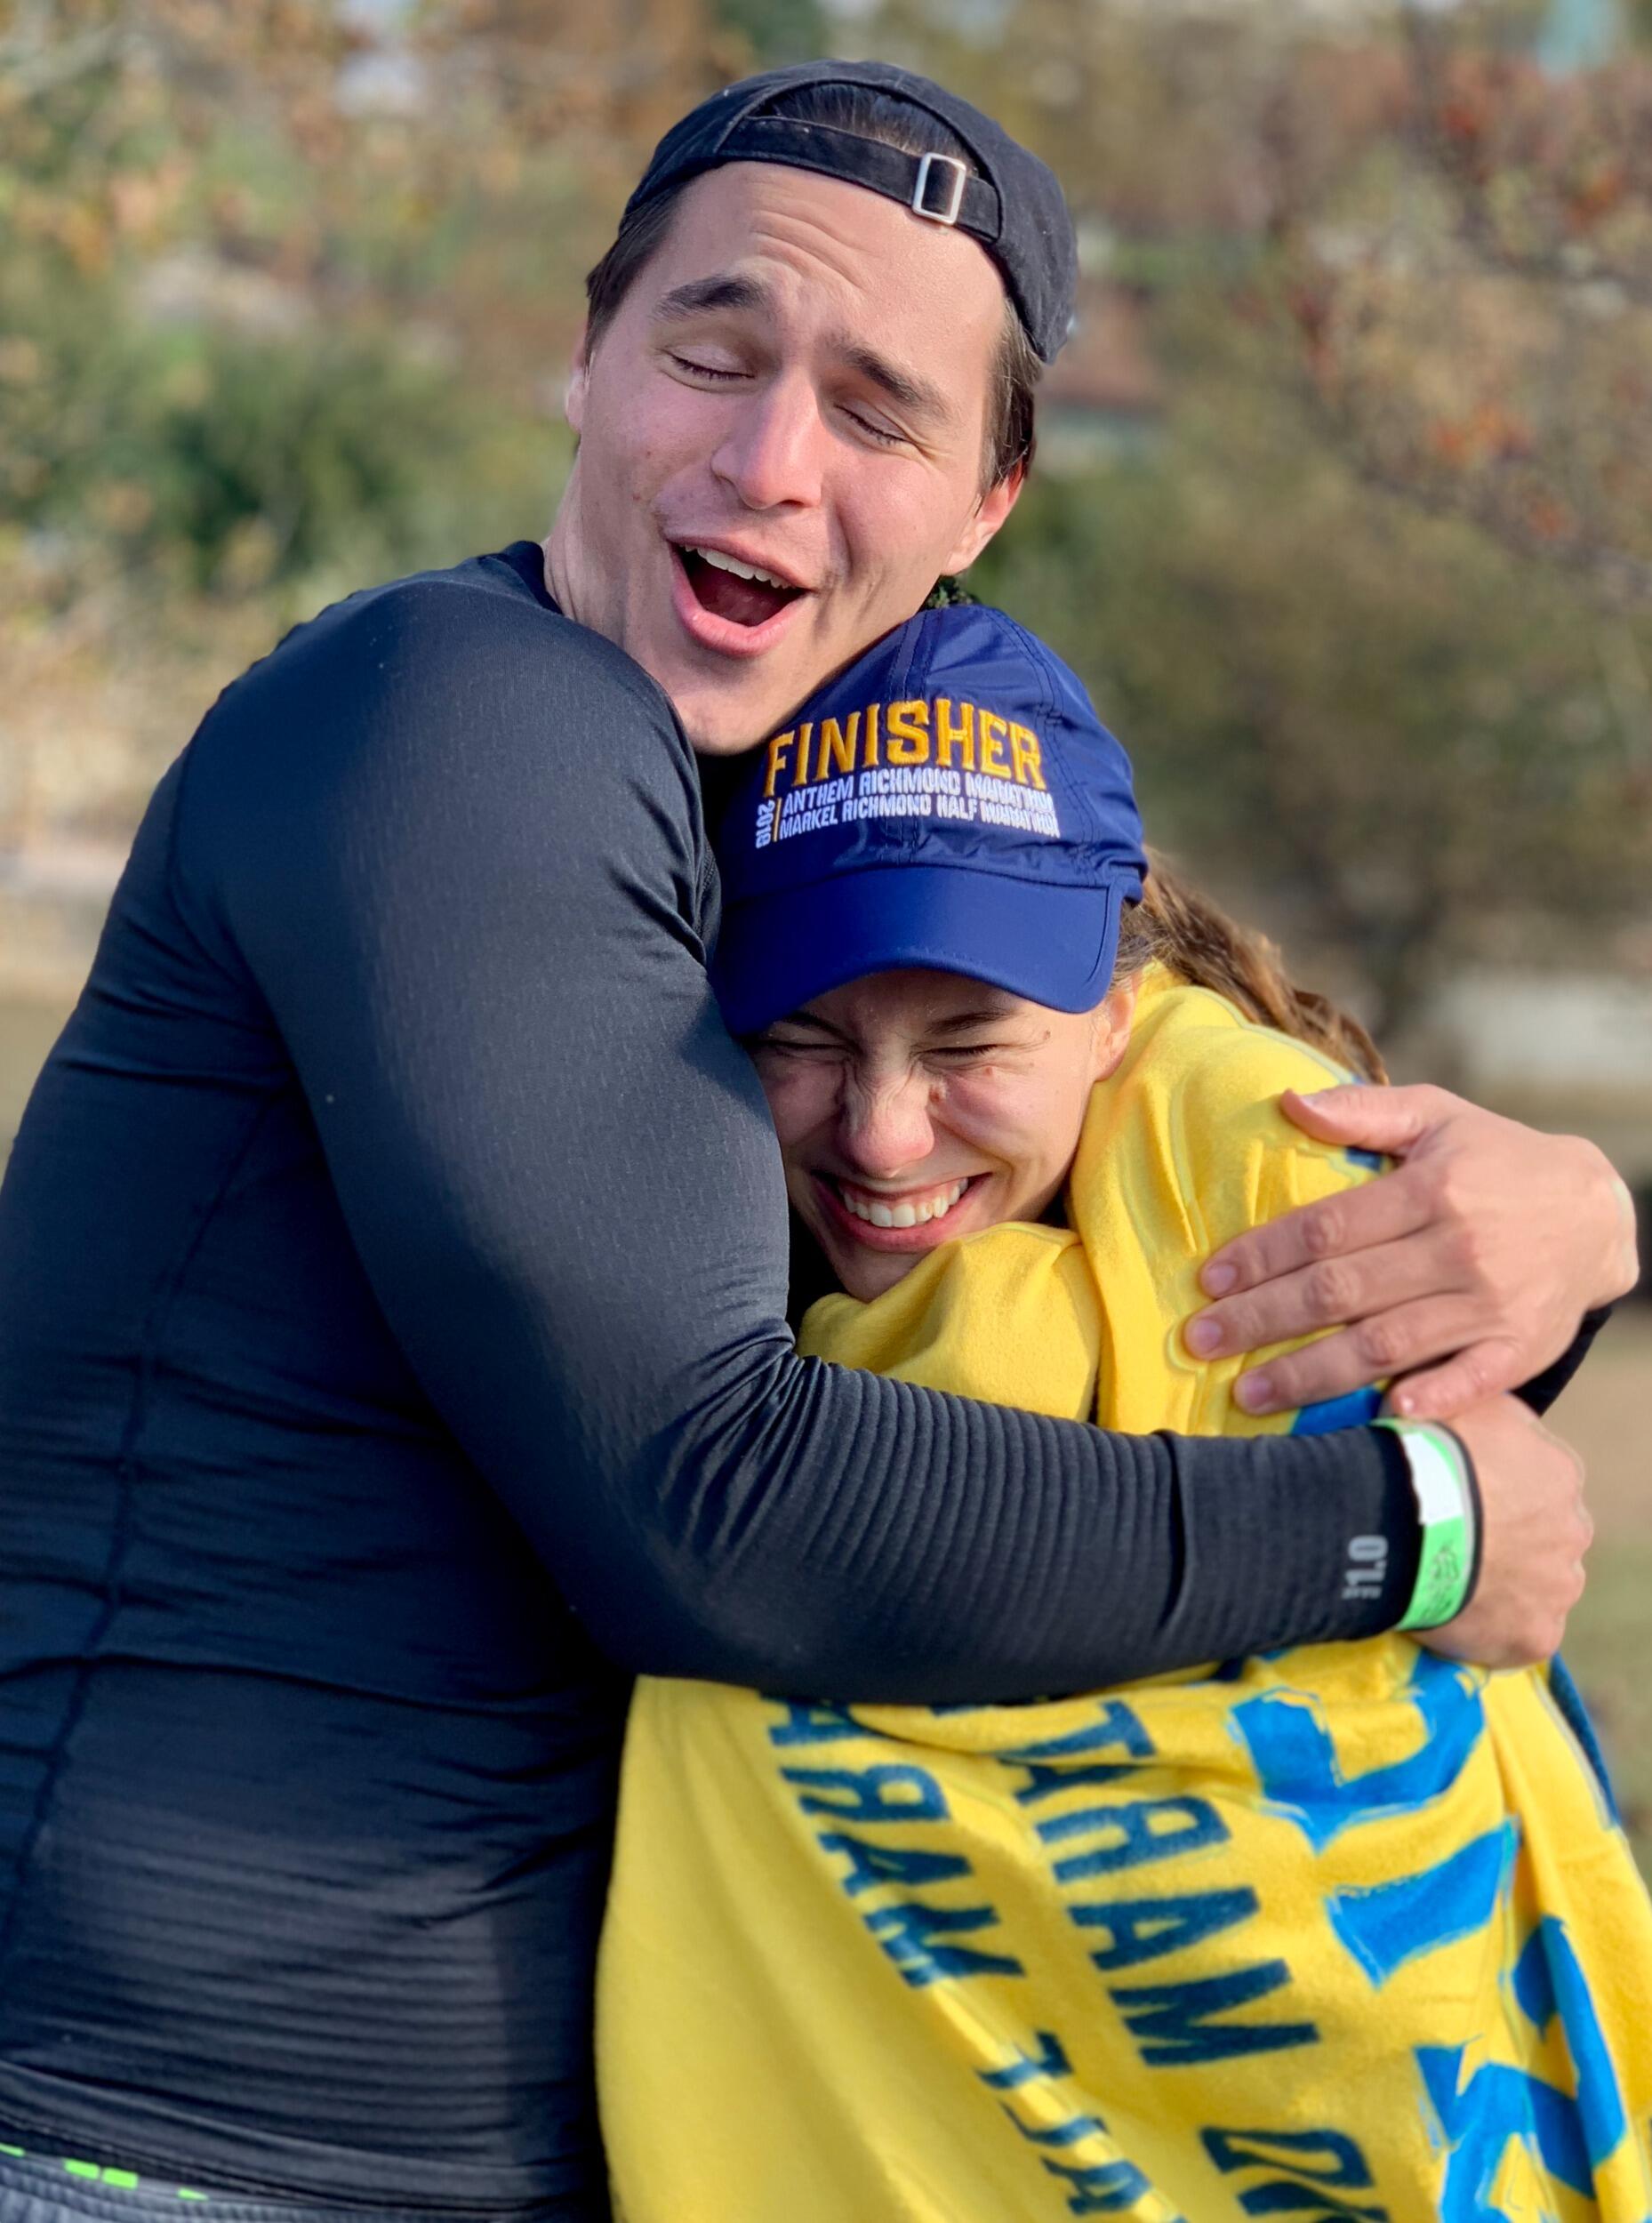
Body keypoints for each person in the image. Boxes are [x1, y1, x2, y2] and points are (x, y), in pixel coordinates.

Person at [0, 59, 1628, 2223]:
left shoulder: (775, 820)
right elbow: (720, 1497)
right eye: (712, 349)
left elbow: (1078, 1258)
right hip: (179, 2148)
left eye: (877, 409)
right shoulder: (463, 718)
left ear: (985, 499)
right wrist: (1403, 1526)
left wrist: (1557, 1241)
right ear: (583, 358)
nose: (768, 461)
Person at [600, 602, 1652, 2223]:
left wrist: (1585, 1229)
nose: (881, 1137)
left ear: (1112, 1009)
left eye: (969, 1045)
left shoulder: (1265, 1181)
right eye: (797, 1041)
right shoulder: (646, 1250)